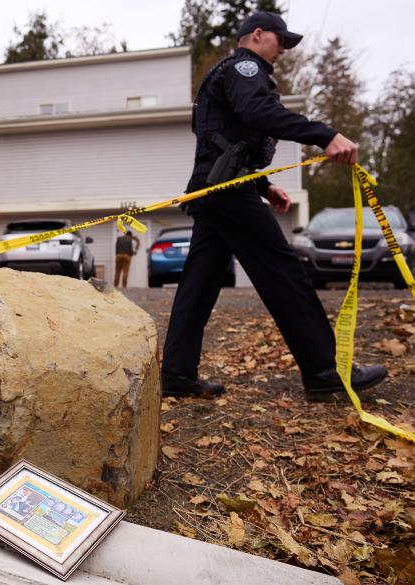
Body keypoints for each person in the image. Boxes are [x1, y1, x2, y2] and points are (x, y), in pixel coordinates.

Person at [161, 11, 387, 402]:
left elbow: (226, 139)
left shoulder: (229, 73)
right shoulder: (245, 67)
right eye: (280, 41)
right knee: (283, 272)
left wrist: (264, 185)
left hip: (217, 188)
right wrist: (324, 134)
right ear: (258, 34)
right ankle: (324, 369)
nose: (283, 49)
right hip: (227, 191)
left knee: (198, 285)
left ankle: (178, 375)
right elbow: (258, 114)